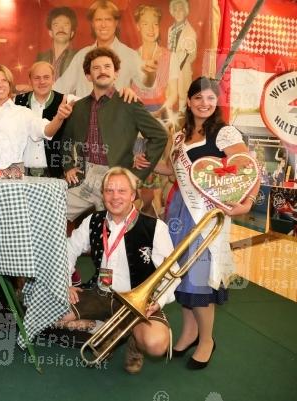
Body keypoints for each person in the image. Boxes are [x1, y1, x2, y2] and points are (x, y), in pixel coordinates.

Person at [136, 77, 260, 369]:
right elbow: (174, 172)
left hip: (206, 215)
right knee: (182, 276)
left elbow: (248, 170)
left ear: (216, 102)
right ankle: (189, 332)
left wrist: (248, 202)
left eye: (210, 98)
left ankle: (207, 340)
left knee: (200, 279)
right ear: (189, 102)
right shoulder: (180, 136)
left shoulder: (224, 133)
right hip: (179, 212)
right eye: (199, 98)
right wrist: (149, 163)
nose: (205, 103)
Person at [59, 167, 177, 374]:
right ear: (103, 195)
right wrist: (66, 282)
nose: (115, 197)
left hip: (138, 303)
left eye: (121, 191)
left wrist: (158, 301)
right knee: (52, 315)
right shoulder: (93, 221)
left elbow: (172, 272)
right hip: (100, 293)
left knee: (156, 344)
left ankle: (129, 339)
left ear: (133, 195)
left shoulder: (155, 227)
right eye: (109, 191)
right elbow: (68, 248)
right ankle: (103, 329)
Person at [62, 47, 168, 222]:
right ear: (88, 76)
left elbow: (159, 136)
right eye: (96, 68)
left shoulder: (129, 102)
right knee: (54, 211)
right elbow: (65, 139)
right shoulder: (79, 107)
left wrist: (136, 174)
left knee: (113, 231)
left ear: (116, 73)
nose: (102, 71)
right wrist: (68, 166)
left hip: (116, 178)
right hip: (85, 177)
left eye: (107, 67)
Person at [0, 64, 73, 172]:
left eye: (4, 80)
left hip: (12, 181)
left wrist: (59, 117)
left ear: (10, 85)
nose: (0, 84)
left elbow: (47, 131)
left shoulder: (22, 113)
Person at [53, 0, 147, 98]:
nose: (103, 25)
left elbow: (148, 86)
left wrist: (150, 75)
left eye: (108, 19)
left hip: (116, 113)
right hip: (86, 113)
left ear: (116, 22)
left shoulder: (130, 55)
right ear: (92, 24)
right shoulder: (82, 56)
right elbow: (59, 88)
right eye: (98, 20)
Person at [15, 61, 66, 178]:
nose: (42, 82)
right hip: (22, 174)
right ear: (30, 81)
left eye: (46, 77)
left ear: (53, 79)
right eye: (37, 78)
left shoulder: (65, 101)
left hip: (55, 173)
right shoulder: (17, 102)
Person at [131, 4, 179, 115]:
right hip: (136, 113)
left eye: (155, 24)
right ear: (138, 26)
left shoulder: (171, 57)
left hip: (161, 111)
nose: (151, 29)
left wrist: (159, 112)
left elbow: (173, 94)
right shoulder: (131, 56)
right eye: (145, 24)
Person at [167, 0, 197, 113]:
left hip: (182, 67)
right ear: (172, 12)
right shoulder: (170, 29)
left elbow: (191, 55)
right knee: (170, 92)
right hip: (171, 65)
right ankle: (170, 120)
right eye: (175, 10)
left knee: (182, 92)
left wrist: (178, 67)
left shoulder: (190, 31)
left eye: (181, 9)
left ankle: (182, 116)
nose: (178, 13)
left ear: (185, 11)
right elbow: (169, 50)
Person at [36, 7, 78, 80]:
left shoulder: (79, 57)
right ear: (50, 32)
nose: (61, 29)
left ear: (72, 32)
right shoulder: (41, 58)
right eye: (56, 25)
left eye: (65, 25)